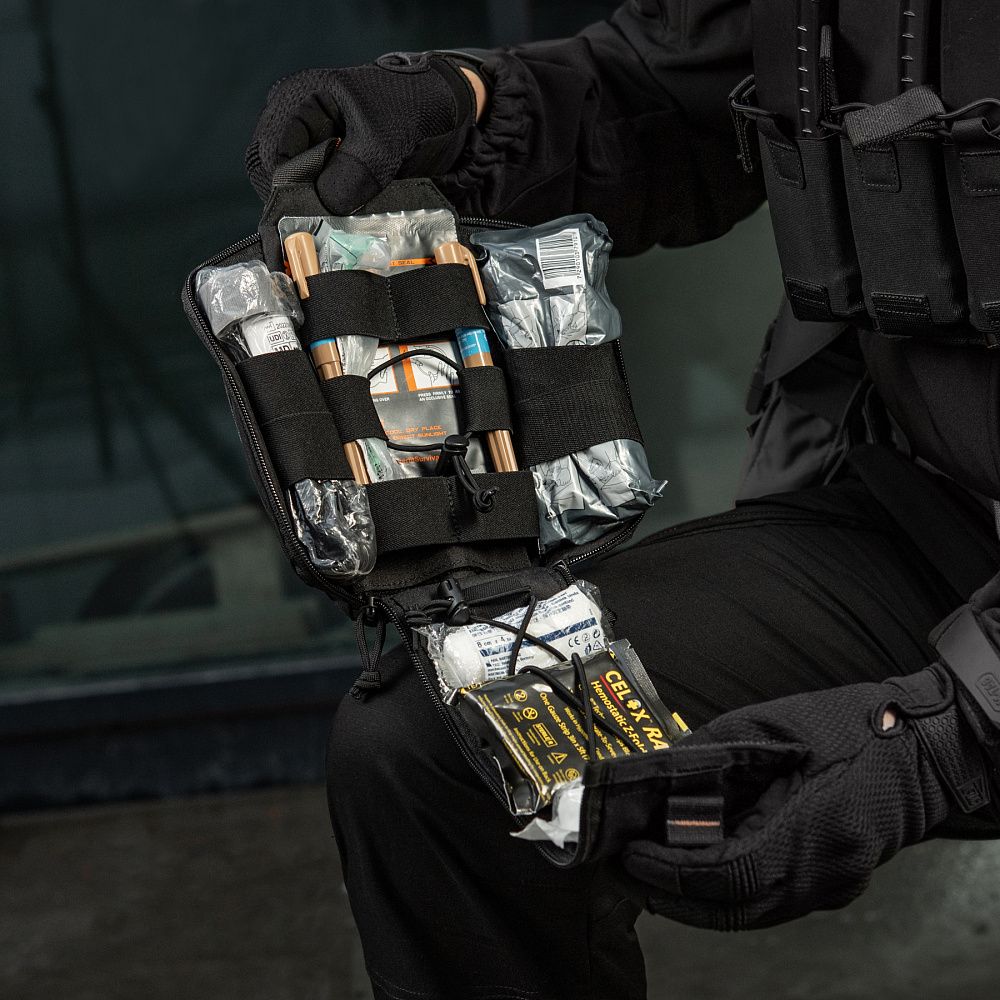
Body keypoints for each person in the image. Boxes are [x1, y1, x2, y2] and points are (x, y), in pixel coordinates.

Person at [246, 3, 1000, 997]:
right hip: (930, 517)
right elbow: (673, 91)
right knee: (437, 749)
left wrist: (945, 736)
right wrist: (465, 108)